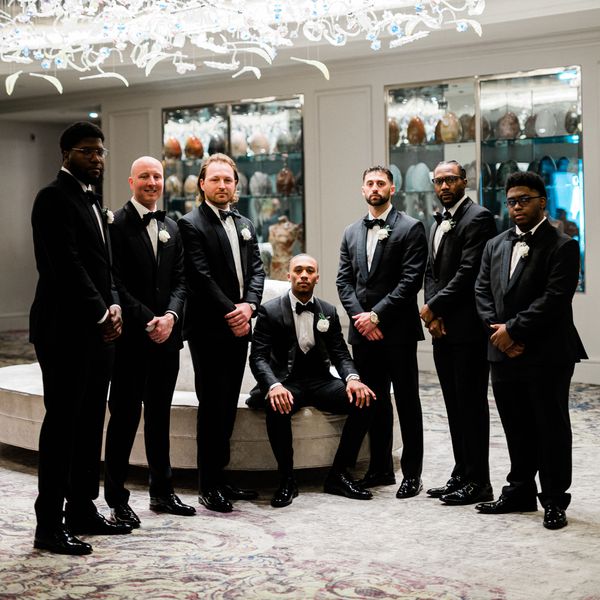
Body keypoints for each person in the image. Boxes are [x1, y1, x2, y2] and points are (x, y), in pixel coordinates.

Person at [30, 121, 131, 555]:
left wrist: (113, 304)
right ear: (66, 154)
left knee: (91, 424)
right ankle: (48, 525)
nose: (97, 159)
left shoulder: (94, 201)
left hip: (97, 330)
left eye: (100, 152)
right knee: (63, 427)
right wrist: (98, 311)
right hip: (63, 330)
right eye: (87, 151)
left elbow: (103, 266)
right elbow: (64, 265)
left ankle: (82, 510)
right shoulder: (52, 198)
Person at [474, 170, 587, 530]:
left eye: (524, 200)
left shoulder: (563, 244)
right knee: (515, 424)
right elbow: (481, 291)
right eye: (511, 201)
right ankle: (520, 490)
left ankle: (554, 499)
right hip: (501, 350)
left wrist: (514, 330)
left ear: (542, 201)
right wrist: (498, 333)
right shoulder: (495, 244)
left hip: (547, 351)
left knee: (550, 426)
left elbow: (554, 299)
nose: (517, 207)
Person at [103, 156, 195, 528]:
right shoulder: (116, 225)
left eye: (157, 176)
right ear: (131, 181)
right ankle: (116, 498)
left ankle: (163, 491)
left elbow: (181, 281)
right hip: (131, 340)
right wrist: (147, 320)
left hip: (166, 339)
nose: (152, 182)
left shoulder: (171, 226)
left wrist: (171, 317)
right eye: (145, 176)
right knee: (124, 418)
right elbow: (115, 282)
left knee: (160, 416)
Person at [250, 254, 375, 507]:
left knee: (364, 401)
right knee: (277, 406)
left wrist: (352, 378)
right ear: (289, 276)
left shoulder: (327, 311)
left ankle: (338, 474)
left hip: (319, 380)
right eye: (298, 270)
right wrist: (273, 386)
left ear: (317, 277)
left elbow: (340, 352)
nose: (304, 275)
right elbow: (258, 358)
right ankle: (287, 480)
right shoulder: (270, 310)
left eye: (309, 271)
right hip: (287, 381)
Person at [178, 153, 265, 513]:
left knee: (230, 403)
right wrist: (233, 311)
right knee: (211, 405)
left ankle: (222, 476)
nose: (222, 186)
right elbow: (200, 277)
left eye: (227, 180)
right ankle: (207, 484)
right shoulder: (190, 224)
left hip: (240, 325)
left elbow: (257, 268)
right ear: (202, 184)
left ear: (235, 185)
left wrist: (250, 307)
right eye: (215, 180)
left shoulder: (245, 222)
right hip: (209, 328)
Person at [337, 165, 428, 499]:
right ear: (362, 190)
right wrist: (361, 318)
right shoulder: (350, 232)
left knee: (406, 401)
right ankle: (380, 468)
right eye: (369, 183)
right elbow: (343, 281)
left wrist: (377, 317)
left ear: (393, 189)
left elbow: (410, 281)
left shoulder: (411, 228)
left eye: (381, 183)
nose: (375, 188)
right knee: (373, 401)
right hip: (363, 333)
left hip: (398, 331)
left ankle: (412, 473)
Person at [421, 160, 497, 505]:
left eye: (450, 179)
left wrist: (435, 307)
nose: (443, 186)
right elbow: (430, 272)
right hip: (442, 329)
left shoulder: (478, 217)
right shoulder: (436, 220)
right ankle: (461, 472)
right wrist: (432, 314)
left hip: (467, 328)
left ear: (464, 181)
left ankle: (480, 480)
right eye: (438, 181)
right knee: (453, 404)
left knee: (471, 404)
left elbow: (469, 273)